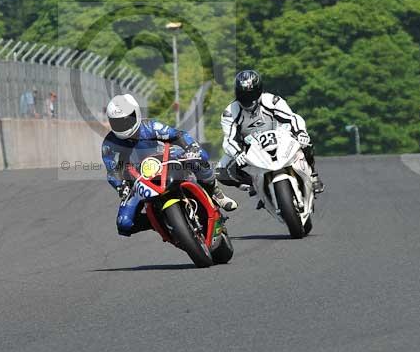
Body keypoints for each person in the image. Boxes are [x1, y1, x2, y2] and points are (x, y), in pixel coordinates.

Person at [102, 94, 237, 237]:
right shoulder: (109, 144)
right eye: (117, 122)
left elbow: (178, 135)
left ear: (136, 113)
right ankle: (161, 222)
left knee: (198, 158)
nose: (123, 126)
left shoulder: (150, 126)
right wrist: (120, 186)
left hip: (165, 162)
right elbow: (112, 170)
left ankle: (214, 192)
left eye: (126, 120)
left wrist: (191, 148)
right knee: (124, 224)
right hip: (138, 182)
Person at [216, 69, 324, 195]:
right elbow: (229, 139)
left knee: (306, 141)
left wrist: (300, 132)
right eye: (243, 95)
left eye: (250, 94)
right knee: (220, 172)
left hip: (279, 137)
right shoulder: (230, 112)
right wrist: (237, 153)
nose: (247, 99)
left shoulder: (272, 100)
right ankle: (255, 184)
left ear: (259, 91)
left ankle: (312, 174)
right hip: (249, 147)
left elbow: (292, 118)